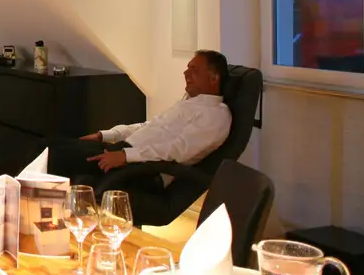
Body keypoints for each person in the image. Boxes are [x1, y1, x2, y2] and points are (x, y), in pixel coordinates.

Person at [47, 50, 232, 183]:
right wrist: (106, 135)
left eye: (194, 69)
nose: (185, 73)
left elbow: (177, 151)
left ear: (214, 78)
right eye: (187, 68)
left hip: (143, 169)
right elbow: (149, 126)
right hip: (125, 152)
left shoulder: (216, 115)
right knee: (50, 144)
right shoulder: (190, 104)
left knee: (52, 156)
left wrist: (125, 156)